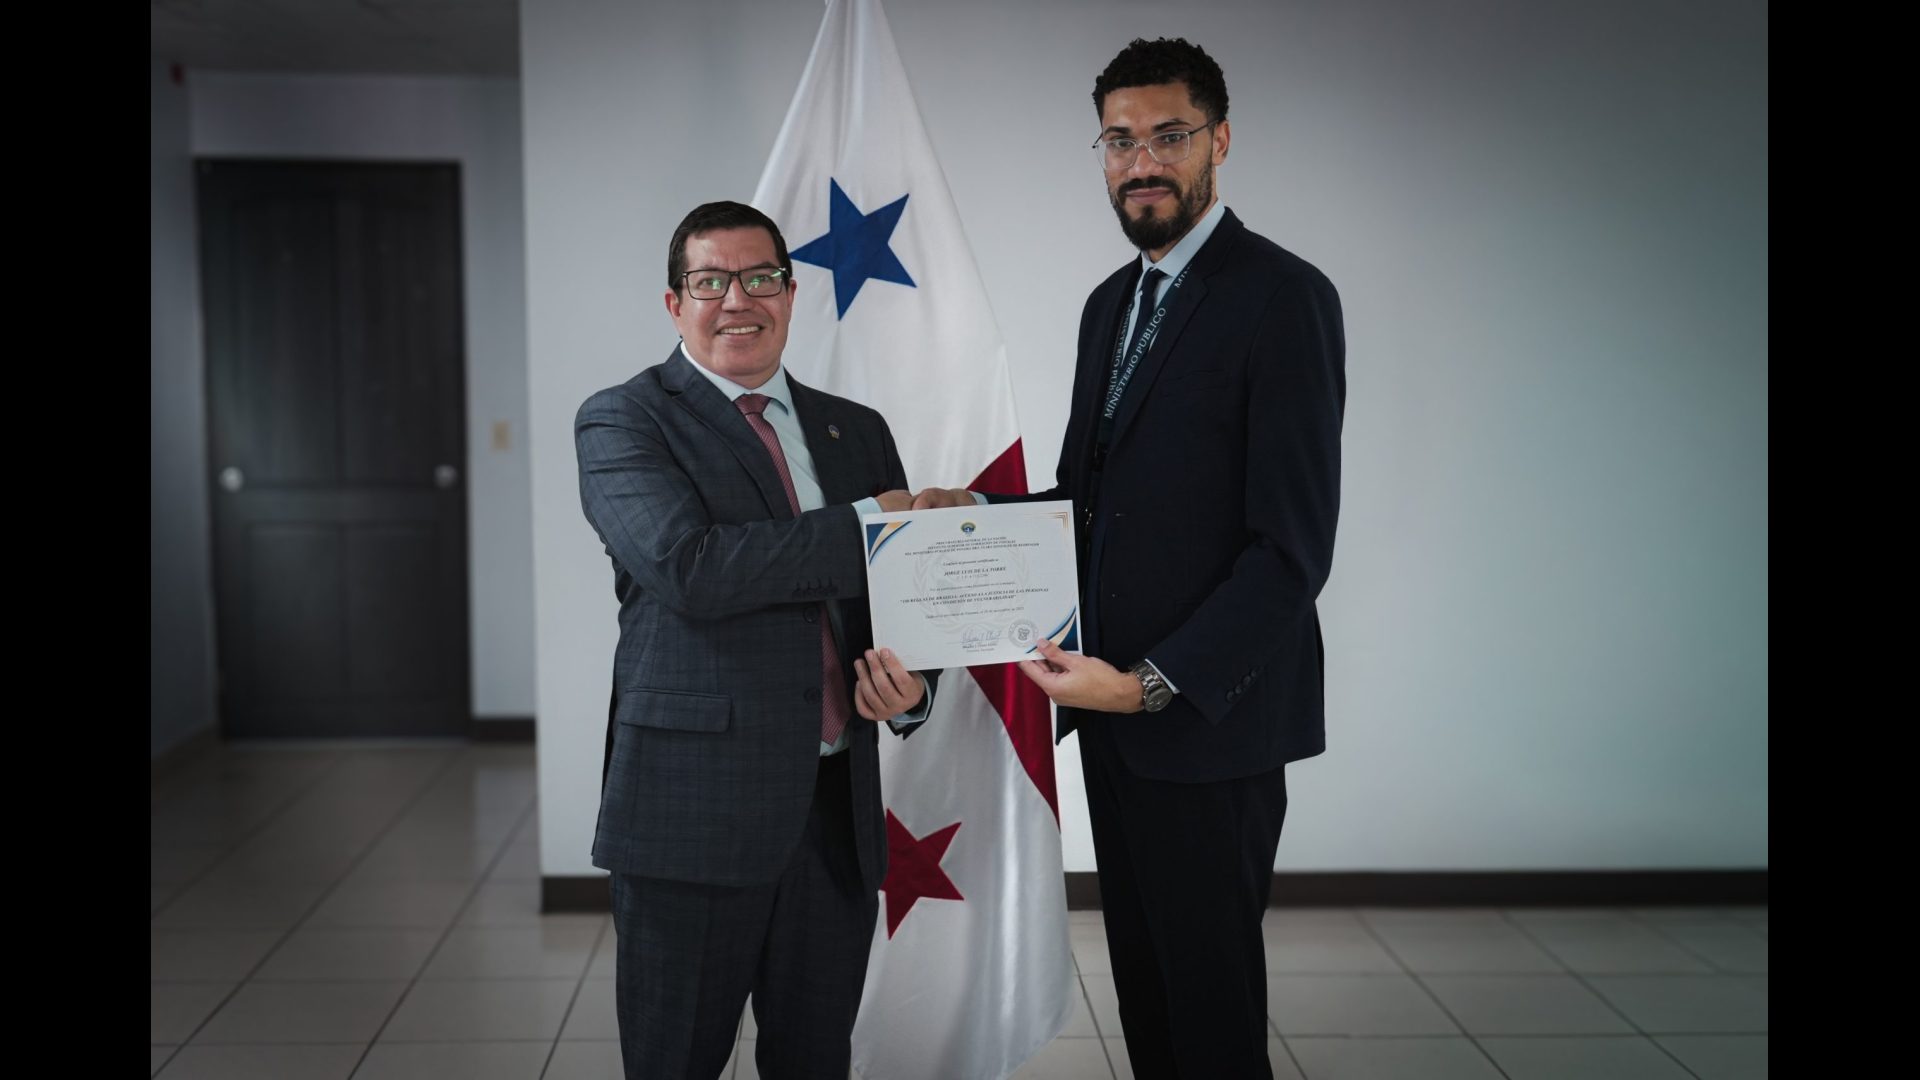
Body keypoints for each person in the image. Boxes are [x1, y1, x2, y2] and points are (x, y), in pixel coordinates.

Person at [915, 37, 1345, 1077]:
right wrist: (973, 515)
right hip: (1110, 720)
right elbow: (1090, 502)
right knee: (1149, 998)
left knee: (1211, 1014)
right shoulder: (1112, 302)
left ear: (1220, 142)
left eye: (1168, 136)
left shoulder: (1282, 297)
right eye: (1119, 140)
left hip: (1207, 721)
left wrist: (1147, 685)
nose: (1141, 162)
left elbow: (1290, 553)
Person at [576, 200, 937, 1079]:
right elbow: (690, 569)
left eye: (761, 277)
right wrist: (869, 524)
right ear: (676, 304)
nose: (738, 299)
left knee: (814, 1061)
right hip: (690, 816)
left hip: (833, 816)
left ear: (791, 291)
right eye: (710, 282)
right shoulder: (623, 420)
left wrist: (915, 688)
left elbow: (902, 598)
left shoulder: (857, 429)